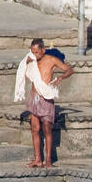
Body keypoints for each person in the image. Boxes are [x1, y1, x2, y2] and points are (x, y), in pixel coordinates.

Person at [13, 38, 74, 168]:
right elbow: (22, 68)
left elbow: (69, 69)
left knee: (47, 128)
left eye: (37, 52)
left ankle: (48, 160)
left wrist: (61, 78)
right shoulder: (31, 59)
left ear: (43, 50)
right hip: (34, 97)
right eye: (32, 51)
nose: (35, 55)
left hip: (46, 97)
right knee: (35, 128)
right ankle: (37, 159)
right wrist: (26, 62)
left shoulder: (52, 60)